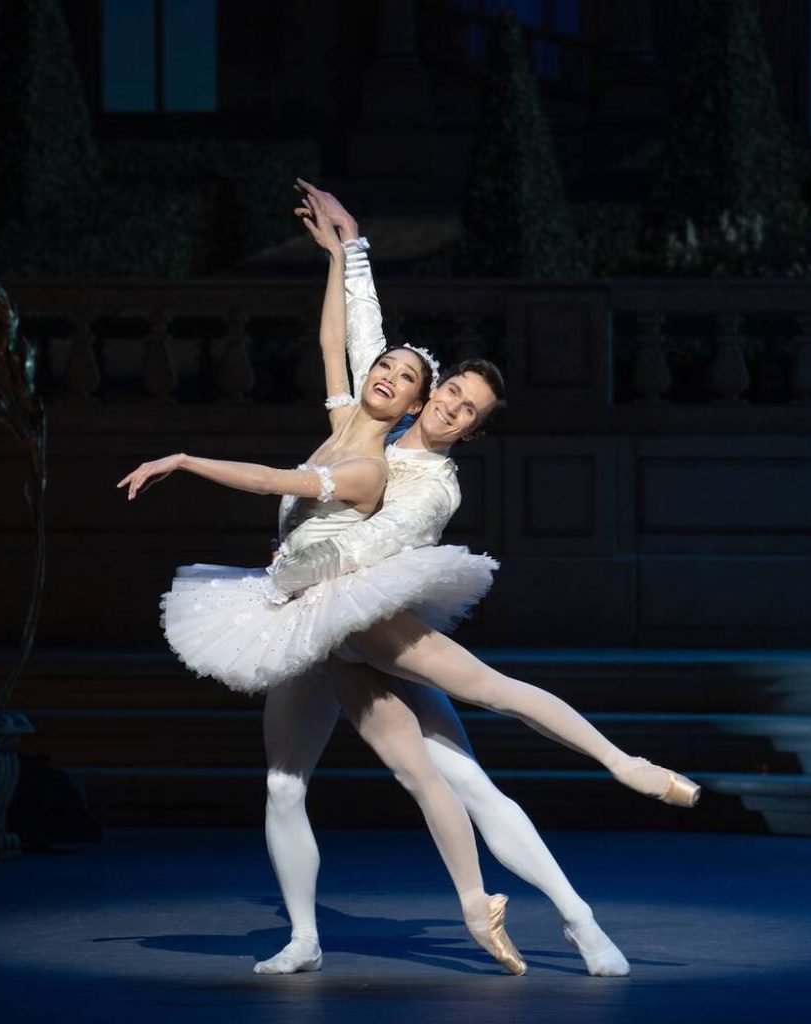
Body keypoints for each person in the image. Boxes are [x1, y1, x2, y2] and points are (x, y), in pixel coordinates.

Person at [119, 192, 526, 973]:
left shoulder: (377, 461)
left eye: (408, 376)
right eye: (389, 368)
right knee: (281, 783)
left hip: (340, 609)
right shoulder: (347, 415)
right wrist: (344, 256)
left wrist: (183, 459)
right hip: (297, 614)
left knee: (442, 768)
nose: (389, 375)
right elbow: (339, 340)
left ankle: (520, 903)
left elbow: (280, 471)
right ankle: (304, 937)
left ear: (417, 402)